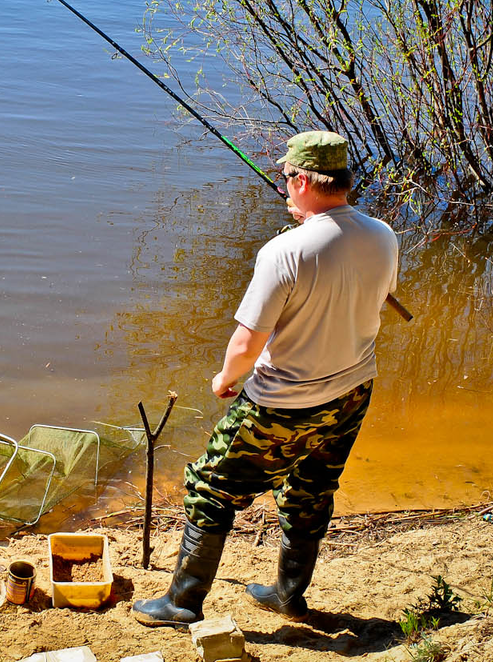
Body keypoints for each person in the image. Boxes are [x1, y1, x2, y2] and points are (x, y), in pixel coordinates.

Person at [132, 130, 399, 627]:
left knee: (210, 489)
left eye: (286, 178)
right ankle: (287, 594)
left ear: (300, 180)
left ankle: (182, 603)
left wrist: (225, 379)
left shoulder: (284, 252)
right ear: (341, 181)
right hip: (352, 391)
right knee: (312, 488)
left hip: (284, 400)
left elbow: (246, 343)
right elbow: (363, 292)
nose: (285, 185)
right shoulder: (383, 234)